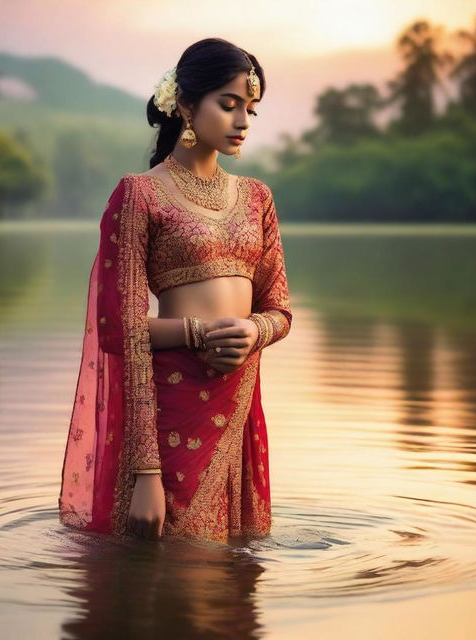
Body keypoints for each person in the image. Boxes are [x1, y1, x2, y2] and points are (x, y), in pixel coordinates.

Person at [58, 37, 292, 544]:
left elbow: (280, 311)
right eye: (228, 105)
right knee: (173, 570)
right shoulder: (139, 195)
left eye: (250, 109)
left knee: (226, 591)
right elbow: (118, 332)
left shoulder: (257, 198)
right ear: (185, 104)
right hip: (169, 413)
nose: (243, 121)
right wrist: (146, 474)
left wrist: (253, 330)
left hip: (237, 401)